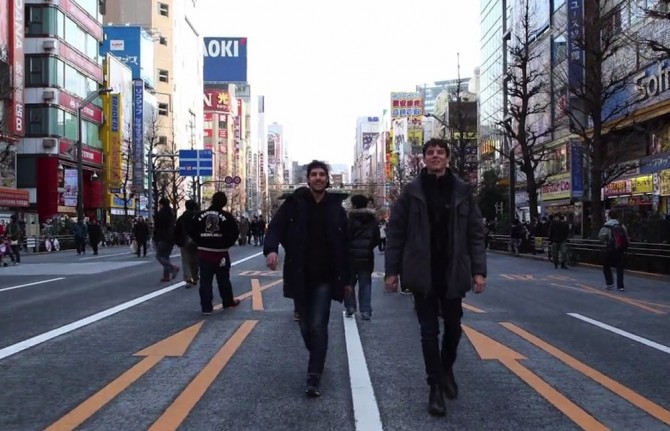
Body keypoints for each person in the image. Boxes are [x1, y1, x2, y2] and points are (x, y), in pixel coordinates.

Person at [384, 138, 487, 418]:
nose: (435, 156)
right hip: (422, 270)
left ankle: (446, 369)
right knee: (428, 333)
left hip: (453, 270)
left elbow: (475, 234)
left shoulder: (463, 191)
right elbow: (396, 233)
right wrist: (391, 272)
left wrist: (479, 270)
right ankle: (435, 387)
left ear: (448, 158)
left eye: (440, 152)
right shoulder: (411, 192)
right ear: (424, 159)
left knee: (454, 328)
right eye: (430, 153)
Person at [264, 160, 350, 398]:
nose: (318, 178)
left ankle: (314, 375)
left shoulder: (336, 208)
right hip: (299, 274)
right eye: (314, 174)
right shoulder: (294, 204)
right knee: (304, 325)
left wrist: (347, 280)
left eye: (322, 174)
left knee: (317, 324)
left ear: (327, 179)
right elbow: (275, 228)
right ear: (308, 178)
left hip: (326, 275)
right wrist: (271, 249)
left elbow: (345, 245)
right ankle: (317, 353)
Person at [191, 192, 240, 314]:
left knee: (205, 281)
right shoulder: (227, 216)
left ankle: (206, 307)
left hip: (204, 252)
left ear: (212, 200)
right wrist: (226, 243)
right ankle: (228, 302)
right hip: (221, 253)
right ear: (224, 202)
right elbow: (235, 233)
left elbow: (191, 230)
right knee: (223, 279)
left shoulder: (199, 215)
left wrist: (200, 241)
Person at [345, 194, 380, 320]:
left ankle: (350, 307)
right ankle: (365, 311)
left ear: (354, 205)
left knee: (349, 282)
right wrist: (368, 247)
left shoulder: (349, 218)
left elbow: (344, 237)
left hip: (350, 257)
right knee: (365, 283)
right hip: (366, 257)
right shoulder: (372, 219)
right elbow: (377, 238)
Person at [598, 210, 628, 291]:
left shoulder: (607, 226)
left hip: (610, 249)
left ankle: (610, 283)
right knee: (620, 267)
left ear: (609, 216)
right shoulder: (621, 225)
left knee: (606, 266)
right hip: (620, 249)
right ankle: (620, 286)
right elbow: (626, 238)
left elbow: (601, 237)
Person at [175, 200, 200, 287]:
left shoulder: (181, 218)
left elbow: (177, 231)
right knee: (196, 261)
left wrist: (178, 241)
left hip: (184, 241)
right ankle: (195, 277)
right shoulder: (198, 217)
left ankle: (188, 279)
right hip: (196, 242)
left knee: (186, 261)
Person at [153, 197, 179, 282]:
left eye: (160, 204)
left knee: (159, 256)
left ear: (162, 204)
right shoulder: (171, 213)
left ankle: (173, 268)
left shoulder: (160, 214)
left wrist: (155, 238)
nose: (159, 206)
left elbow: (157, 228)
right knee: (166, 256)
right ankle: (166, 275)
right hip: (171, 239)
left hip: (162, 238)